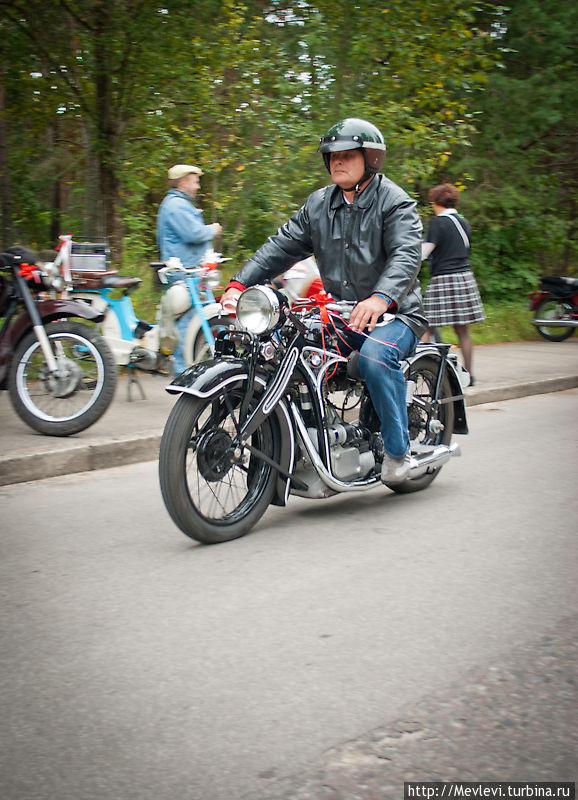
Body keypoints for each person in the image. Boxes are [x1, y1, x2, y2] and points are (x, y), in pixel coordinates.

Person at [220, 118, 428, 483]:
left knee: (376, 359)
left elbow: (406, 256)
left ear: (371, 158)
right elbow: (280, 246)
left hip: (396, 315)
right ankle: (306, 439)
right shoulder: (319, 204)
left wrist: (381, 298)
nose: (337, 161)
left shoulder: (395, 202)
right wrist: (239, 283)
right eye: (331, 155)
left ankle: (398, 452)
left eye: (347, 154)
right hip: (341, 314)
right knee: (276, 345)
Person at [156, 164, 222, 373]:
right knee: (186, 322)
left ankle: (192, 367)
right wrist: (213, 229)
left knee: (192, 319)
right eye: (195, 181)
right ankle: (182, 371)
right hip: (183, 275)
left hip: (192, 273)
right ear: (183, 181)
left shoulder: (179, 204)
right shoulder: (176, 205)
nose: (198, 186)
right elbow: (193, 233)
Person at [421, 183, 485, 383]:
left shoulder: (438, 223)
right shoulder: (462, 222)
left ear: (436, 202)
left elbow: (424, 253)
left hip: (444, 279)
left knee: (426, 325)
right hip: (465, 277)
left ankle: (423, 371)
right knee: (462, 330)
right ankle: (469, 374)